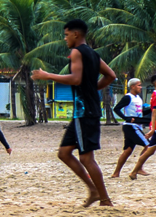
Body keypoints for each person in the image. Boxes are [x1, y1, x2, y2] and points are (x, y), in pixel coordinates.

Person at [32, 19, 116, 206]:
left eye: (66, 34)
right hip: (85, 111)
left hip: (84, 111)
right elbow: (111, 75)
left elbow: (76, 79)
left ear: (76, 34)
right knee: (64, 153)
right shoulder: (93, 54)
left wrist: (47, 75)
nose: (65, 39)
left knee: (86, 158)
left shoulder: (77, 52)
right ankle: (93, 191)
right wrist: (93, 89)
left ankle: (105, 199)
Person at [110, 77, 151, 178]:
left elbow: (140, 113)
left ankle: (116, 173)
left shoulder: (138, 98)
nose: (141, 87)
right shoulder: (128, 97)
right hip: (131, 127)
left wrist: (152, 109)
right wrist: (126, 118)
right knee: (148, 146)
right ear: (132, 86)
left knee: (128, 150)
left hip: (136, 126)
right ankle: (139, 168)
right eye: (139, 85)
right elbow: (116, 109)